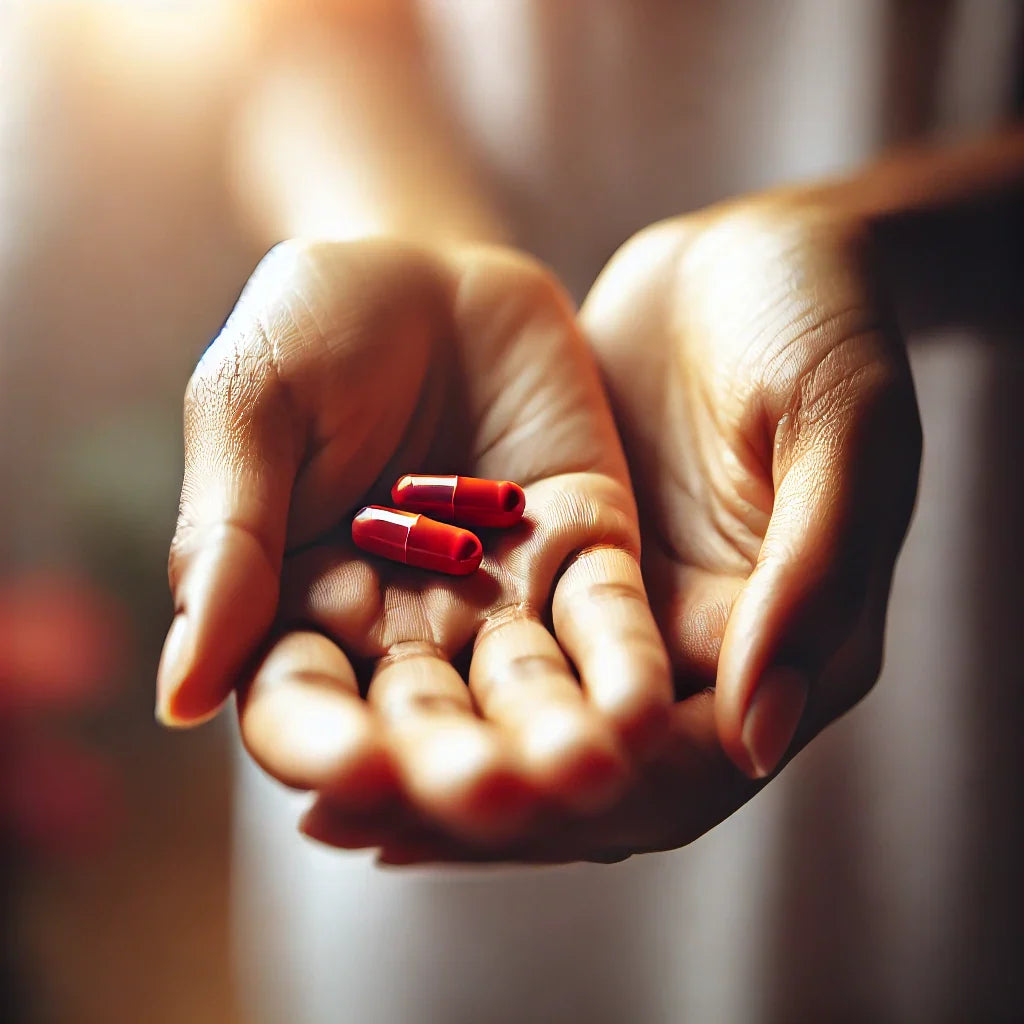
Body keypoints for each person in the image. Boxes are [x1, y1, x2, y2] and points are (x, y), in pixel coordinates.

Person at [117, 0, 1024, 1019]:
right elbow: (303, 42)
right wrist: (414, 253)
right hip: (417, 551)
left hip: (908, 497)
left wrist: (870, 240)